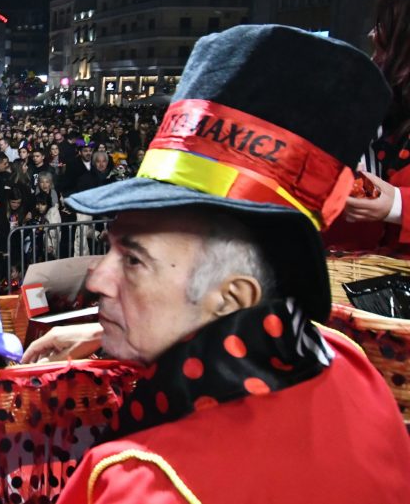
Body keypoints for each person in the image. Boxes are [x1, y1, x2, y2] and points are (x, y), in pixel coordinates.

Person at [21, 25, 410, 503]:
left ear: (234, 297)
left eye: (134, 259)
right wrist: (110, 331)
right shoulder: (345, 360)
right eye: (111, 249)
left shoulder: (143, 484)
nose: (97, 278)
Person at [329, 0, 410, 254]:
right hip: (378, 281)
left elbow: (392, 204)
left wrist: (397, 205)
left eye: (384, 47)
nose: (375, 60)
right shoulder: (382, 113)